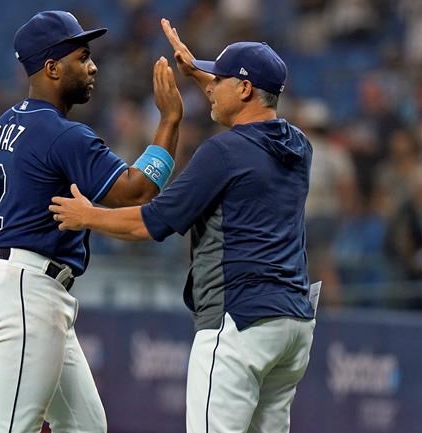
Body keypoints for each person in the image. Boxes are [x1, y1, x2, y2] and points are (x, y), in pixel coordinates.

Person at [49, 18, 316, 433]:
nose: (210, 87)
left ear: (244, 89)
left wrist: (88, 216)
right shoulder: (299, 145)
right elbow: (252, 123)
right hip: (293, 324)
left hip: (238, 320)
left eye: (220, 79)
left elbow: (150, 223)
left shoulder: (223, 152)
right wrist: (200, 74)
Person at [0, 11, 182, 433]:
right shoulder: (61, 134)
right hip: (26, 294)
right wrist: (168, 122)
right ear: (52, 67)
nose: (93, 66)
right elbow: (136, 191)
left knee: (85, 426)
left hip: (9, 289)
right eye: (83, 56)